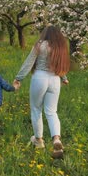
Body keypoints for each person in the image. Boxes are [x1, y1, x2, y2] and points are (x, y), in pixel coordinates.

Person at [13, 26, 70, 159]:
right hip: (55, 79)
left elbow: (29, 62)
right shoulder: (60, 46)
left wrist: (18, 78)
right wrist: (64, 78)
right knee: (51, 111)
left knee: (36, 110)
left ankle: (39, 140)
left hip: (40, 77)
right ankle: (56, 139)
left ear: (45, 34)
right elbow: (61, 65)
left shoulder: (40, 45)